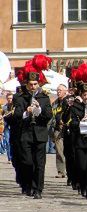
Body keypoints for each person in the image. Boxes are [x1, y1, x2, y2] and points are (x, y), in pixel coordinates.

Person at [14, 55, 53, 199]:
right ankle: (28, 184)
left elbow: (49, 115)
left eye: (35, 84)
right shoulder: (20, 97)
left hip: (40, 134)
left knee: (40, 164)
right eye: (30, 84)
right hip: (25, 134)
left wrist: (39, 111)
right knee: (27, 162)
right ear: (26, 84)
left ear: (39, 84)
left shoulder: (44, 97)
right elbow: (17, 115)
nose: (32, 87)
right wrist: (26, 112)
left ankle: (38, 189)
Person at [51, 84, 68, 178]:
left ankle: (70, 170)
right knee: (59, 150)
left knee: (69, 151)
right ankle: (61, 171)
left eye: (60, 90)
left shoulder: (69, 101)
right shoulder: (55, 103)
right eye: (57, 90)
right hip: (58, 129)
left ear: (66, 91)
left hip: (68, 129)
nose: (58, 92)